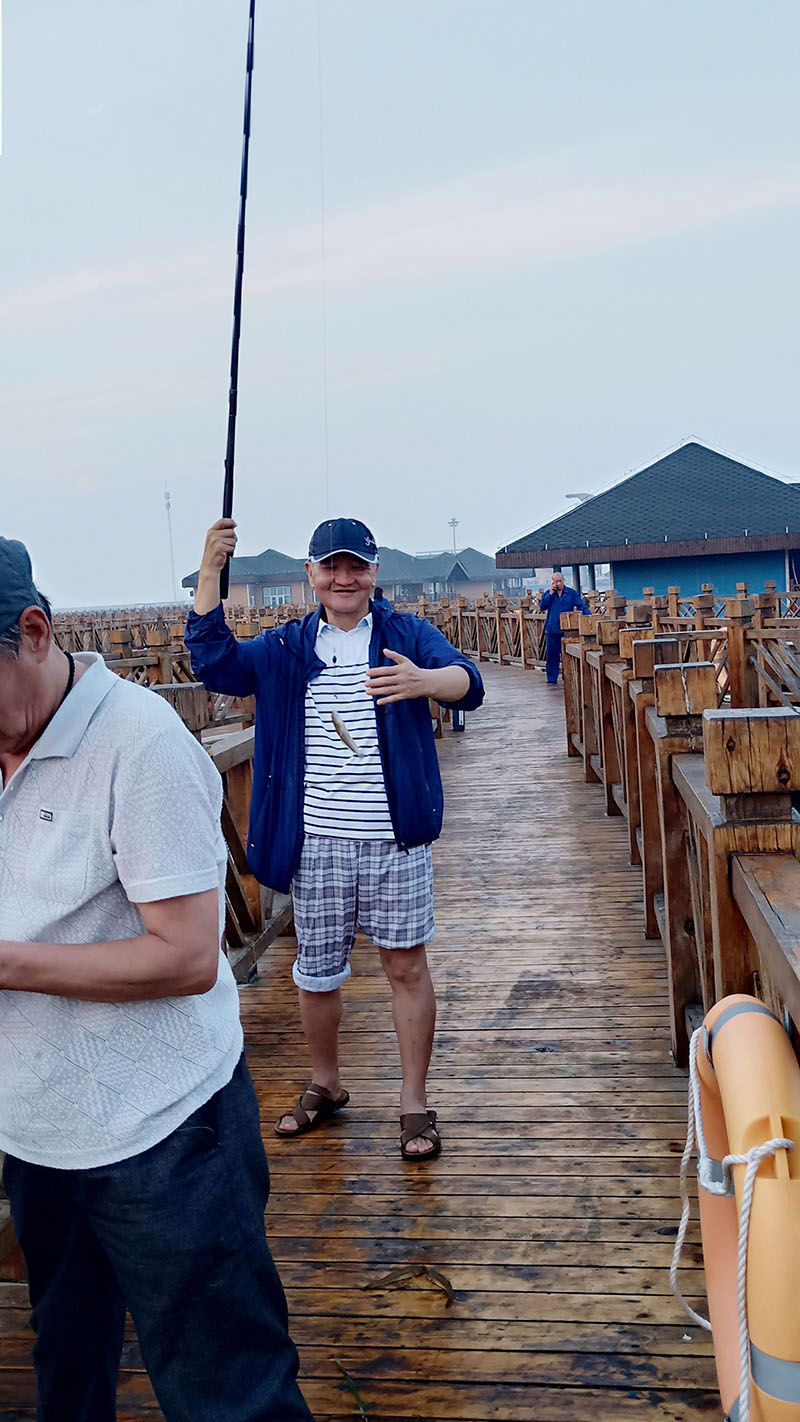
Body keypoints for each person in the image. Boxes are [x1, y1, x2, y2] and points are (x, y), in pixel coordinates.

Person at [0, 538, 312, 1422]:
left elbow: (184, 953)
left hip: (168, 1137)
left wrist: (8, 964)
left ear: (32, 633)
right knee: (67, 1369)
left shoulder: (138, 743)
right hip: (36, 1135)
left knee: (229, 1390)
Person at [185, 516, 484, 1162]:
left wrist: (427, 684)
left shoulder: (406, 635)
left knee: (406, 965)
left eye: (357, 566)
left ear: (375, 572)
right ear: (311, 575)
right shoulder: (287, 649)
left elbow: (470, 682)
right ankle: (326, 1083)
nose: (344, 578)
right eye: (331, 566)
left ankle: (413, 1101)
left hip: (395, 840)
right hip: (316, 843)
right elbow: (214, 663)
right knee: (317, 975)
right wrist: (210, 572)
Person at [539, 571, 590, 684]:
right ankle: (551, 679)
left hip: (568, 630)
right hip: (552, 629)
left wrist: (589, 617)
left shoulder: (571, 593)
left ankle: (568, 676)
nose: (558, 583)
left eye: (560, 581)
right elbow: (542, 606)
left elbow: (582, 605)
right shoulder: (548, 594)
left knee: (567, 654)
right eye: (556, 581)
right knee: (552, 656)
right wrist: (550, 594)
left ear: (563, 581)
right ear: (552, 582)